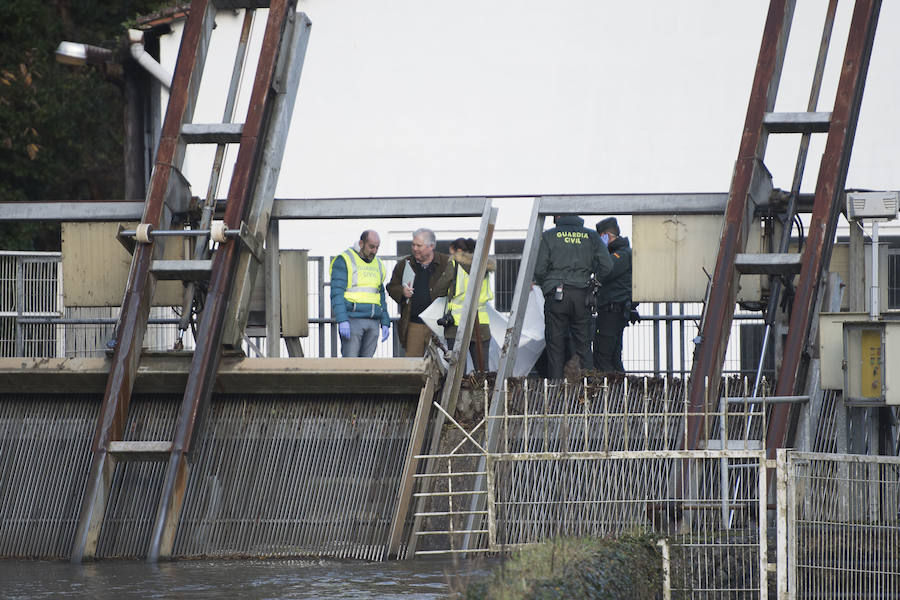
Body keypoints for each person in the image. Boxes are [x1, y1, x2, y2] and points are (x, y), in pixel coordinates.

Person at [534, 215, 612, 379]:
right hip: (582, 294)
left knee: (555, 346)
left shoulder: (549, 236)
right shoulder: (591, 236)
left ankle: (555, 394)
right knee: (583, 346)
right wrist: (594, 283)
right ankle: (589, 391)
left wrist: (548, 286)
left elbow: (539, 269)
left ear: (559, 217)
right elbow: (607, 265)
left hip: (556, 295)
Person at [387, 228, 455, 357]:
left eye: (419, 245)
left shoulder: (446, 263)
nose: (415, 248)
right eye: (413, 244)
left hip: (439, 326)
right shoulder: (404, 264)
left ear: (431, 246)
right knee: (413, 364)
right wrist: (402, 291)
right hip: (414, 324)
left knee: (440, 364)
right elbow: (391, 287)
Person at [329, 230, 391, 357]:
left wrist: (385, 321)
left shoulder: (378, 264)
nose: (374, 251)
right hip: (352, 318)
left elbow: (380, 296)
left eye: (377, 247)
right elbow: (337, 293)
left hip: (373, 320)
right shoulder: (345, 260)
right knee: (350, 365)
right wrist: (342, 320)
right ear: (361, 243)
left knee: (367, 367)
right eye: (371, 247)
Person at [443, 237, 494, 371]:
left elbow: (437, 290)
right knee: (482, 371)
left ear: (459, 251)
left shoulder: (454, 266)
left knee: (457, 372)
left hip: (456, 327)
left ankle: (458, 393)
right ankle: (483, 393)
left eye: (451, 252)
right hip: (481, 325)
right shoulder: (484, 267)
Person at [593, 217, 633, 373]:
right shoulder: (617, 253)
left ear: (606, 236)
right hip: (612, 309)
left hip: (613, 309)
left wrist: (600, 252)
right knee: (613, 357)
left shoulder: (621, 254)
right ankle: (620, 393)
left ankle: (610, 393)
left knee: (603, 356)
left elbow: (605, 271)